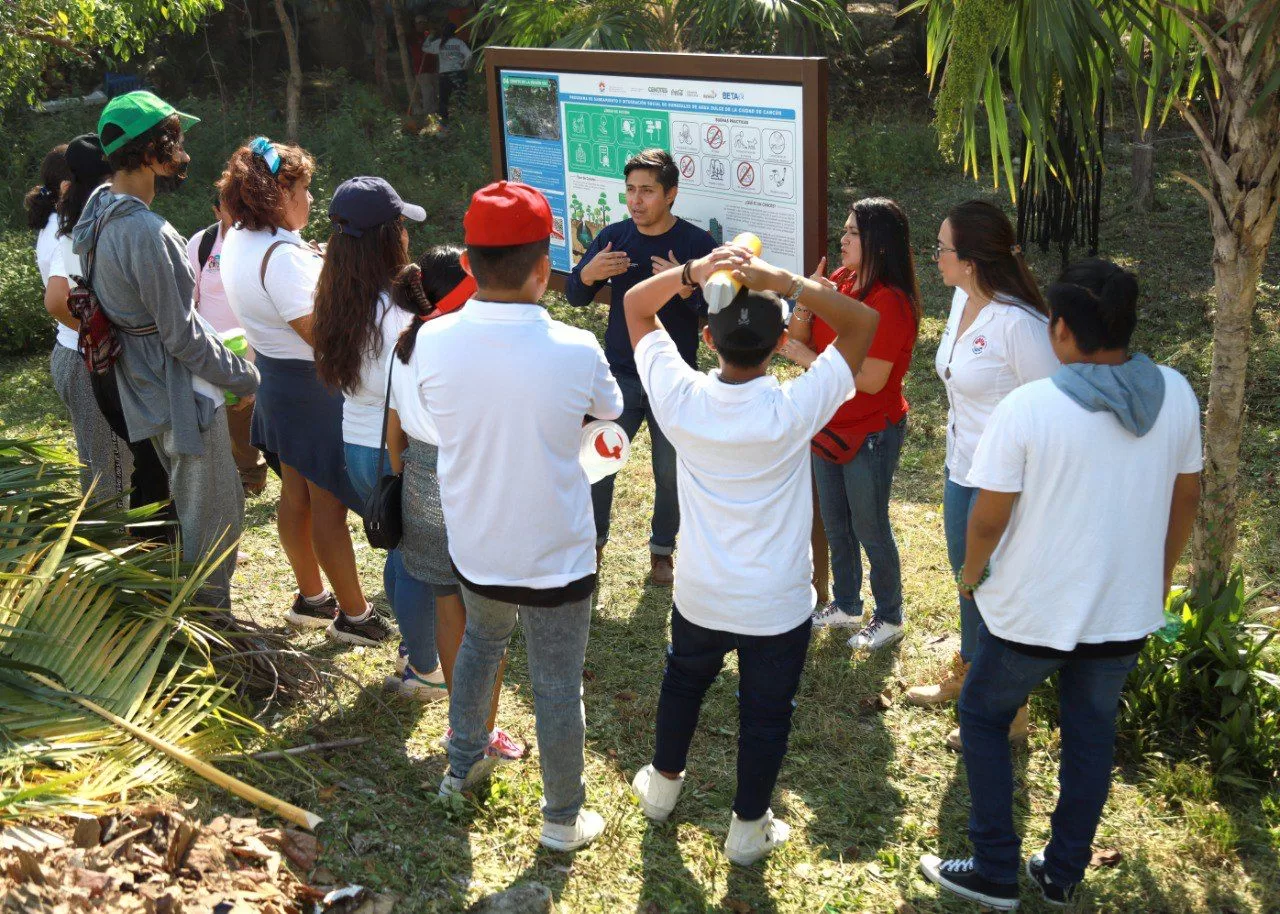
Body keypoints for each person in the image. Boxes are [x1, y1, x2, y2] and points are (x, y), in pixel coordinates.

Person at [919, 259, 1202, 910]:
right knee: (1090, 736)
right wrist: (1157, 578)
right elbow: (1186, 499)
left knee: (984, 716)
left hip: (1033, 611)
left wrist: (968, 576)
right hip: (1122, 609)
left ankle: (993, 870)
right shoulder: (1177, 394)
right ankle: (1062, 872)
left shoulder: (1030, 406)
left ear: (1064, 330)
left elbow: (988, 516)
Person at [626, 245, 880, 866]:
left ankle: (661, 789)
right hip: (776, 601)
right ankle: (747, 828)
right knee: (766, 714)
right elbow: (862, 325)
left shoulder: (681, 399)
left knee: (682, 684)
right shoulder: (794, 408)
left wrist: (692, 271)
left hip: (702, 591)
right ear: (775, 348)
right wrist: (787, 282)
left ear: (708, 338)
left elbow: (635, 308)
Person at [404, 181, 622, 851]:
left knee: (480, 646)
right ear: (542, 269)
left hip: (478, 546)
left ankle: (461, 765)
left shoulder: (430, 342)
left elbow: (433, 427)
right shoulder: (575, 348)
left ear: (467, 265)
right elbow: (609, 415)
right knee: (557, 684)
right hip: (557, 552)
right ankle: (562, 818)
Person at [74, 92, 259, 607]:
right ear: (152, 153)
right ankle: (210, 634)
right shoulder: (146, 231)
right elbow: (180, 335)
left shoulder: (97, 210)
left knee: (193, 505)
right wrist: (242, 376)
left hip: (138, 383)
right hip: (179, 394)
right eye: (175, 144)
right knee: (214, 518)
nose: (183, 157)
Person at [219, 138, 390, 644]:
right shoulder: (282, 256)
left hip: (276, 378)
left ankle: (312, 597)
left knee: (295, 495)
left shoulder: (239, 240)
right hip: (311, 389)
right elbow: (323, 336)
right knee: (328, 504)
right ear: (277, 195)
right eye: (303, 189)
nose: (310, 200)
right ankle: (354, 616)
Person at [905, 200, 1059, 751]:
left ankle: (1007, 714)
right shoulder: (960, 299)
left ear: (970, 259)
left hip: (1007, 482)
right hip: (961, 465)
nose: (935, 257)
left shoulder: (1020, 325)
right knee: (967, 579)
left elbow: (1054, 407)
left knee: (996, 589)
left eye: (942, 248)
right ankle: (970, 673)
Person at [309, 175, 447, 699]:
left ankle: (413, 650)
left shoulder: (334, 295)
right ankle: (425, 669)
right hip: (398, 447)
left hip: (356, 442)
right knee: (414, 561)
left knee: (396, 547)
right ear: (389, 238)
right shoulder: (399, 313)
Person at [386, 246, 525, 760]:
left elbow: (394, 432)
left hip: (422, 480)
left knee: (449, 607)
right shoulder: (470, 350)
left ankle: (457, 723)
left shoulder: (406, 345)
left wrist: (410, 482)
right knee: (491, 620)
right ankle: (481, 733)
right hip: (474, 484)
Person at [564, 149, 716, 584]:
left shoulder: (697, 245)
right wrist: (588, 274)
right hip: (620, 375)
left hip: (672, 375)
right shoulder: (613, 236)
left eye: (647, 191)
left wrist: (686, 288)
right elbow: (575, 296)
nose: (636, 200)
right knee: (598, 461)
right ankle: (592, 545)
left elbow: (715, 312)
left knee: (669, 473)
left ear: (670, 194)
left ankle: (662, 551)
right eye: (630, 190)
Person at [782, 198, 921, 652]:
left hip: (870, 431)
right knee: (836, 522)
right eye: (844, 230)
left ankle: (890, 614)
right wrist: (806, 299)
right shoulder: (839, 282)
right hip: (827, 422)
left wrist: (808, 360)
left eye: (853, 233)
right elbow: (797, 337)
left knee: (869, 525)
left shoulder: (891, 302)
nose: (842, 239)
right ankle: (845, 604)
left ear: (879, 243)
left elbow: (872, 379)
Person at [40, 134, 135, 507]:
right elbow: (57, 300)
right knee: (112, 469)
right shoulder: (71, 228)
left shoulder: (62, 222)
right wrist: (101, 336)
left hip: (76, 354)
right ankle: (114, 550)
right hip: (86, 360)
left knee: (106, 464)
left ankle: (122, 544)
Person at [188, 192, 267, 496]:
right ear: (216, 209)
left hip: (255, 345)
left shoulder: (258, 241)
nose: (236, 215)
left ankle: (253, 472)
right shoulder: (201, 244)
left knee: (248, 413)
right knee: (225, 413)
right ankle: (241, 475)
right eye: (229, 208)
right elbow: (188, 300)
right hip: (215, 350)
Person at [426, 22, 471, 123]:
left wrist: (430, 35)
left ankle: (444, 121)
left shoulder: (439, 43)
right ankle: (463, 121)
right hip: (458, 73)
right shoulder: (459, 43)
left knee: (443, 99)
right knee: (461, 98)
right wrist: (464, 67)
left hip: (444, 75)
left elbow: (425, 48)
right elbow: (469, 55)